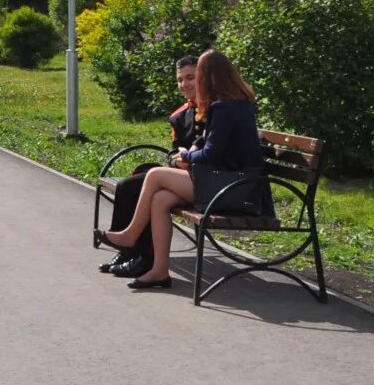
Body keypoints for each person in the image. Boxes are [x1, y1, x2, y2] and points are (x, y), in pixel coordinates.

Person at [103, 49, 265, 292]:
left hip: (234, 189)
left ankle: (130, 234)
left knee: (155, 175)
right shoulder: (232, 103)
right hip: (230, 183)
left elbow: (210, 154)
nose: (192, 82)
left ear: (209, 76)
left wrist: (186, 156)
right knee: (160, 199)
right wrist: (187, 152)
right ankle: (159, 271)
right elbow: (208, 142)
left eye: (196, 75)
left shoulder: (225, 107)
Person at [100, 56, 204, 278]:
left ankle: (142, 257)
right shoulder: (179, 115)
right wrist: (177, 160)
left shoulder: (214, 109)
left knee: (133, 187)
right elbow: (173, 152)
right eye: (180, 80)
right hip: (181, 174)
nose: (184, 84)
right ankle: (129, 253)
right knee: (128, 185)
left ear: (203, 77)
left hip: (197, 179)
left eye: (190, 78)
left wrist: (181, 161)